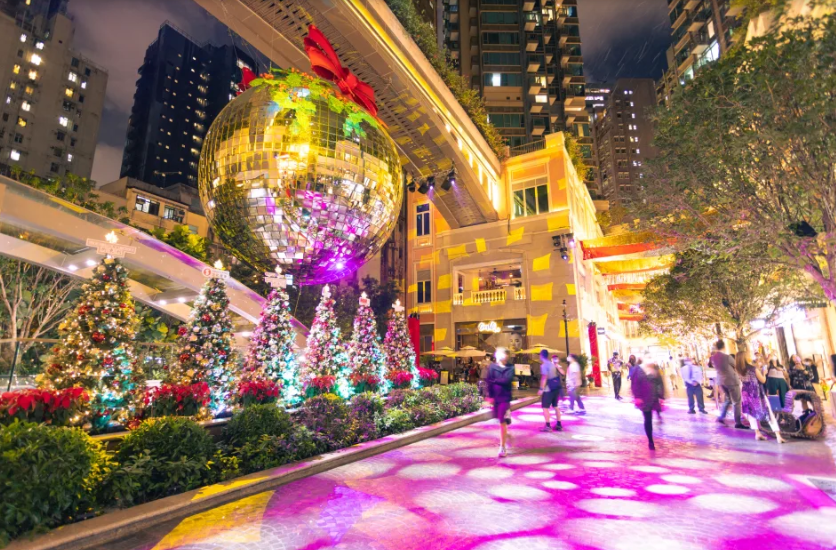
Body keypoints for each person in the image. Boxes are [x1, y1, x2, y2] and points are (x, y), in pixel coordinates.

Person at [737, 351, 785, 444]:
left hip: (746, 393)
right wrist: (764, 373)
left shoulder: (738, 369)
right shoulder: (753, 369)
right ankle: (778, 436)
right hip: (757, 393)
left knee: (751, 413)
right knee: (768, 412)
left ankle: (757, 433)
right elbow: (763, 380)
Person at [487, 347, 515, 457]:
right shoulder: (492, 367)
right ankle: (507, 435)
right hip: (496, 397)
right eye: (503, 355)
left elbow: (507, 380)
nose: (505, 358)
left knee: (502, 422)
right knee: (500, 420)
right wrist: (490, 396)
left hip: (505, 397)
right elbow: (489, 381)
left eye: (506, 356)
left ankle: (502, 447)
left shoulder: (510, 368)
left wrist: (495, 380)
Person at [712, 340, 747, 429]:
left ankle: (721, 416)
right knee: (736, 401)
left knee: (728, 399)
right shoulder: (727, 357)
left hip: (721, 381)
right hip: (731, 380)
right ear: (724, 347)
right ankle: (738, 422)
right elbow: (736, 365)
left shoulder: (713, 358)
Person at [632, 362, 664, 450]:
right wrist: (637, 397)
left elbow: (660, 383)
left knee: (652, 416)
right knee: (648, 419)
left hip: (654, 397)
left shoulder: (655, 368)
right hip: (644, 399)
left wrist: (661, 396)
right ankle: (650, 441)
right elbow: (634, 384)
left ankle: (658, 416)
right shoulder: (638, 370)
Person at [538, 349, 563, 432]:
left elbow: (544, 377)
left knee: (545, 408)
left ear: (541, 356)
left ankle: (548, 426)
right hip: (556, 388)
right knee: (555, 406)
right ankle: (559, 424)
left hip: (548, 389)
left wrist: (541, 389)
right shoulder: (552, 365)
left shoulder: (544, 365)